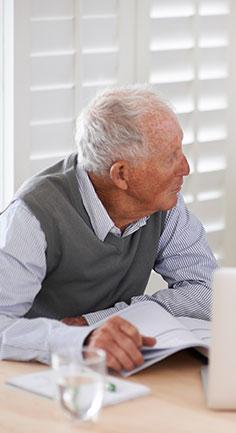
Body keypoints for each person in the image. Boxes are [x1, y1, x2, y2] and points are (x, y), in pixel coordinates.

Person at [0, 86, 217, 371]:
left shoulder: (164, 204)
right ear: (121, 175)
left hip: (114, 369)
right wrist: (81, 340)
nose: (186, 168)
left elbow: (206, 291)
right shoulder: (33, 215)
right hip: (38, 374)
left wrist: (98, 322)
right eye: (170, 158)